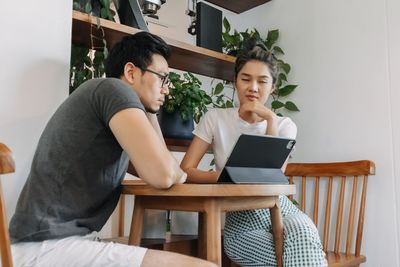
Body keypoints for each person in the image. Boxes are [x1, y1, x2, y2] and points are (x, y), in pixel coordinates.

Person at [9, 32, 216, 267]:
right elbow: (165, 174)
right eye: (163, 78)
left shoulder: (112, 112)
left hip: (54, 243)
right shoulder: (113, 90)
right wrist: (175, 171)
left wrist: (151, 111)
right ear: (131, 72)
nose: (166, 90)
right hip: (45, 247)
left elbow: (159, 166)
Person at [180, 39, 328, 266]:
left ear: (273, 87)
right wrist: (223, 177)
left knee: (304, 234)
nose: (253, 88)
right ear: (235, 81)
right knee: (297, 257)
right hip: (240, 217)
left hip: (279, 206)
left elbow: (273, 176)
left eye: (262, 81)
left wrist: (269, 118)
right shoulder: (215, 118)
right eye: (246, 79)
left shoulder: (285, 124)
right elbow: (186, 170)